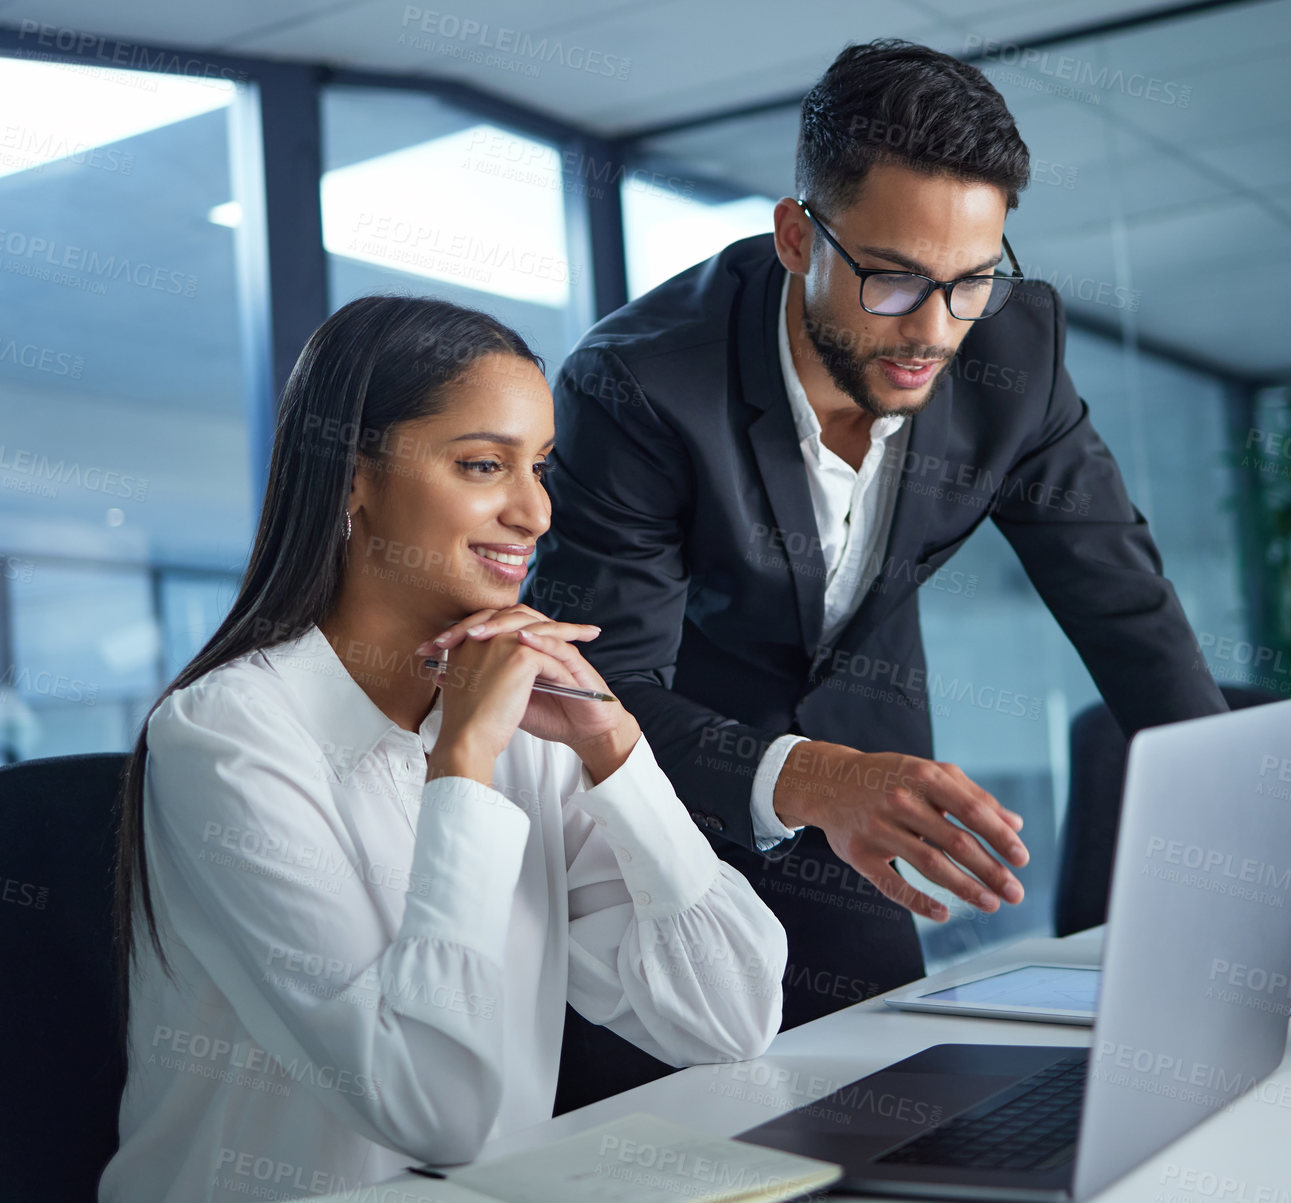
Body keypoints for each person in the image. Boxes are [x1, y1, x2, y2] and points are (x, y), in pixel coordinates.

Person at [505, 34, 1229, 1055]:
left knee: (890, 1102)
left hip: (865, 818)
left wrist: (1240, 886)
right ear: (797, 237)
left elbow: (1127, 613)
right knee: (670, 1138)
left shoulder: (1010, 358)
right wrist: (810, 776)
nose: (932, 329)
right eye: (890, 281)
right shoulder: (637, 386)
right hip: (661, 825)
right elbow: (594, 687)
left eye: (971, 280)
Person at [103, 296, 786, 1202]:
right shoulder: (226, 735)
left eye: (540, 467)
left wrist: (619, 751)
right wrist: (461, 763)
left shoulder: (528, 720)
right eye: (481, 465)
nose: (535, 511)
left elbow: (730, 1018)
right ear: (352, 476)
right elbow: (432, 1112)